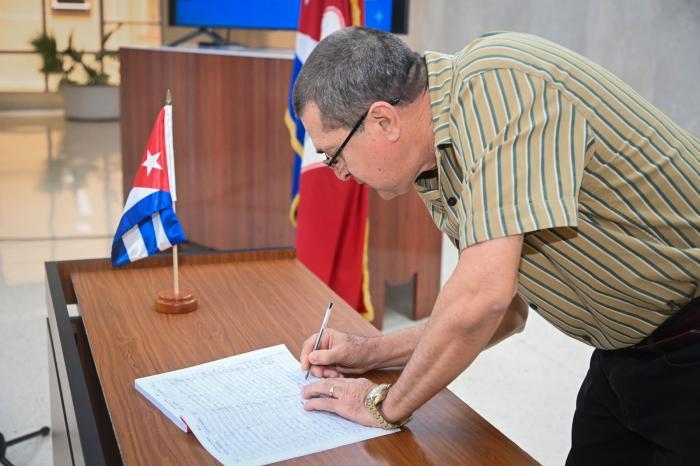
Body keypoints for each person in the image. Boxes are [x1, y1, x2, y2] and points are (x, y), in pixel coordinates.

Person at [292, 27, 699, 464]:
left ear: (383, 121)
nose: (340, 174)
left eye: (335, 154)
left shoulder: (501, 86)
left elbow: (484, 298)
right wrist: (370, 352)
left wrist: (383, 406)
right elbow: (507, 313)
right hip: (627, 355)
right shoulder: (436, 157)